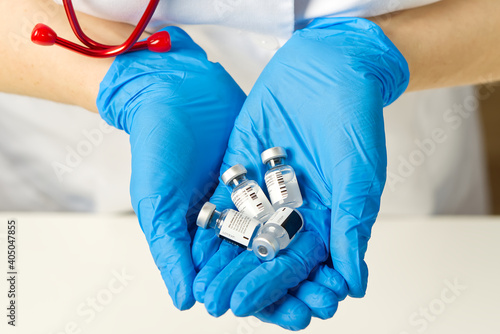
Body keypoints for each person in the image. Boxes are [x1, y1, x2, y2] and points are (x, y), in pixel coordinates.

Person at [1, 0, 498, 330]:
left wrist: (382, 52)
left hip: (390, 120)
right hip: (69, 139)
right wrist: (122, 77)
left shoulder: (279, 200)